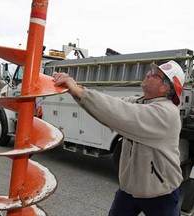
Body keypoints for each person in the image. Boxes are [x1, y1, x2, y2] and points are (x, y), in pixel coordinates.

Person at [52, 60, 185, 216]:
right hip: (130, 189)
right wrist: (75, 91)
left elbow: (120, 113)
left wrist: (79, 91)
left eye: (154, 75)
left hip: (160, 193)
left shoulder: (166, 113)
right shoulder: (140, 102)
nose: (148, 74)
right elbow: (110, 107)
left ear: (165, 87)